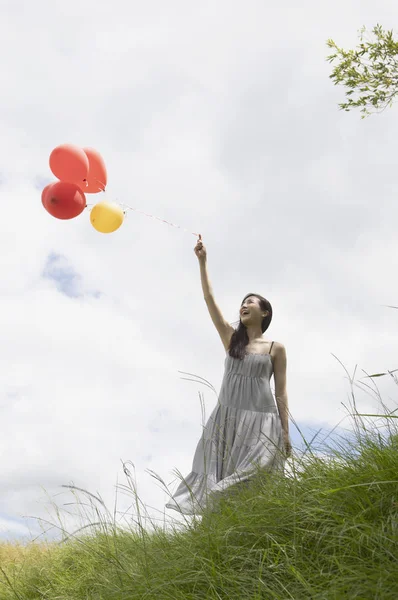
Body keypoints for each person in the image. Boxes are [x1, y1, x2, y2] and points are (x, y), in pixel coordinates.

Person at [165, 236, 291, 515]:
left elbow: (281, 392)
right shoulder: (231, 339)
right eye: (242, 303)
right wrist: (202, 261)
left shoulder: (275, 348)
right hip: (227, 419)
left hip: (262, 423)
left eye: (250, 302)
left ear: (265, 311)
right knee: (217, 481)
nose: (243, 305)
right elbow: (209, 298)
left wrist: (284, 432)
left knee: (248, 481)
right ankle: (220, 530)